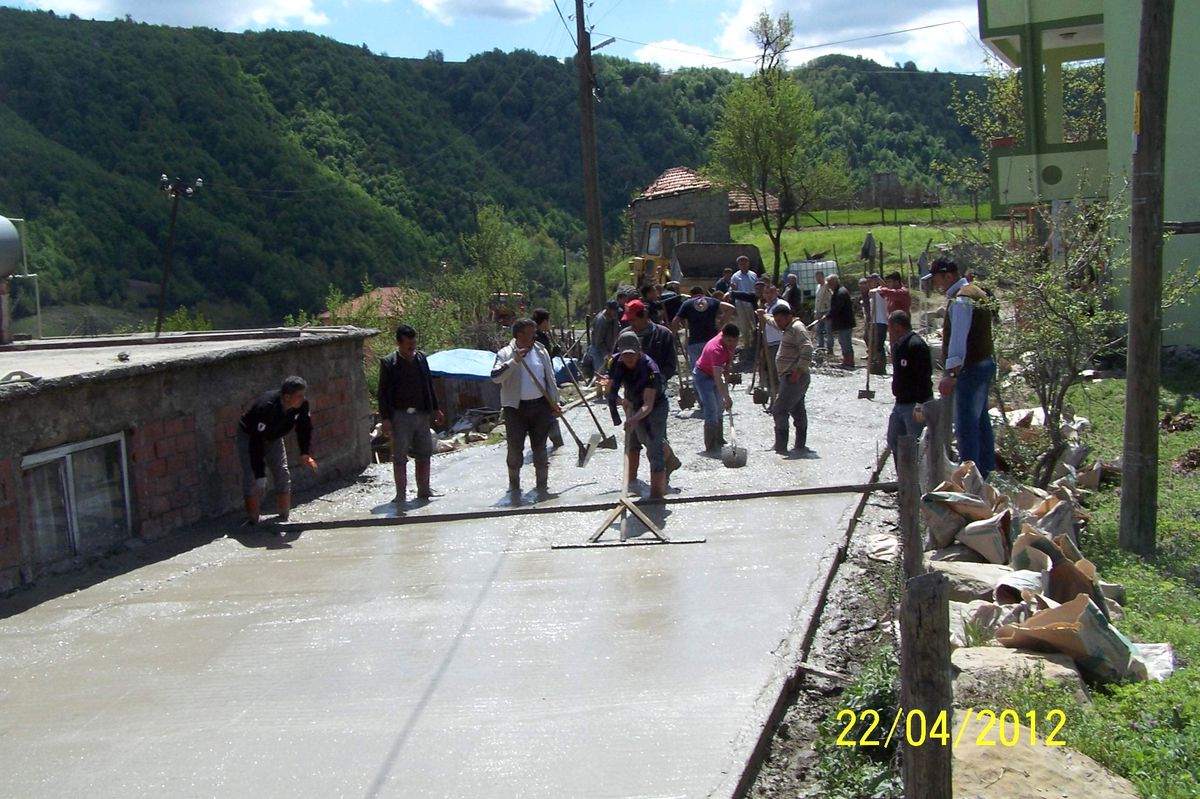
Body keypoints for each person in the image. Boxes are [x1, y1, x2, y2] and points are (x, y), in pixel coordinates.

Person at [924, 255, 997, 477]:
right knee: (981, 423)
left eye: (937, 279)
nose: (936, 284)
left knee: (966, 427)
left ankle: (972, 481)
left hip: (971, 369)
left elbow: (959, 339)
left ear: (948, 276)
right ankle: (986, 473)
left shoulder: (962, 300)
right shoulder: (975, 293)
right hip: (983, 363)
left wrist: (952, 373)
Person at [491, 318, 561, 497]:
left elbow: (550, 379)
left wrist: (555, 402)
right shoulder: (505, 353)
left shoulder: (540, 351)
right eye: (531, 333)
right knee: (515, 449)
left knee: (540, 447)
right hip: (515, 409)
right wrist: (514, 361)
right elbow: (495, 377)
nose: (535, 336)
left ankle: (542, 487)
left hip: (540, 406)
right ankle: (514, 487)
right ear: (519, 335)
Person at [378, 325, 446, 505]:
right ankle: (401, 494)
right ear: (398, 343)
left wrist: (436, 408)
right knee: (400, 456)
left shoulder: (421, 358)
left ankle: (424, 490)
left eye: (414, 342)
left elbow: (428, 385)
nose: (412, 346)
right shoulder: (389, 363)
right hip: (400, 416)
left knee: (424, 453)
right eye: (408, 343)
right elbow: (383, 393)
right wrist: (385, 419)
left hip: (422, 414)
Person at [238, 375, 316, 525]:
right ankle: (253, 518)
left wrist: (304, 452)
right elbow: (256, 442)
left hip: (274, 437)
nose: (302, 398)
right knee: (252, 475)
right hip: (250, 436)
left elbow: (304, 427)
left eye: (303, 395)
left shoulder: (302, 405)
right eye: (299, 396)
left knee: (282, 471)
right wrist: (260, 473)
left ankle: (284, 515)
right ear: (287, 397)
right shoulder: (266, 407)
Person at [619, 299, 682, 478]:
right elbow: (618, 362)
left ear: (644, 316)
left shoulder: (663, 335)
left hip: (655, 397)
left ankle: (662, 475)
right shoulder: (625, 336)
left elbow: (670, 365)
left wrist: (656, 381)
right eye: (628, 321)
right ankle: (631, 482)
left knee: (655, 440)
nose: (631, 324)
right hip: (632, 395)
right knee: (632, 439)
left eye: (633, 320)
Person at [607, 331, 670, 498]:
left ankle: (656, 500)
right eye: (625, 354)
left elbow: (648, 405)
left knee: (653, 449)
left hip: (655, 406)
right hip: (633, 401)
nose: (628, 358)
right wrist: (622, 402)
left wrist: (634, 419)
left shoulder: (651, 368)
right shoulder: (614, 362)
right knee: (632, 442)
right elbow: (611, 390)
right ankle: (631, 485)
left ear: (639, 351)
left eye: (632, 354)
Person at [759, 301, 814, 454]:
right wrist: (763, 316)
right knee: (797, 410)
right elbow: (774, 323)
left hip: (794, 377)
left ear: (789, 316)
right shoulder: (786, 326)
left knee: (779, 409)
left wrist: (798, 371)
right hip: (790, 376)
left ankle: (781, 447)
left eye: (781, 320)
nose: (778, 323)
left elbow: (808, 349)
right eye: (777, 320)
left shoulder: (797, 328)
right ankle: (800, 445)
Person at [885, 309, 933, 461]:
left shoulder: (916, 346)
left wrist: (920, 405)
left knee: (916, 445)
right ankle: (903, 479)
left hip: (914, 405)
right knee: (893, 439)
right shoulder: (899, 346)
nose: (888, 331)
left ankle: (918, 481)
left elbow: (924, 378)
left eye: (889, 326)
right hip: (900, 403)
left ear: (897, 326)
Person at [693, 323, 740, 452]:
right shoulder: (716, 349)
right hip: (703, 376)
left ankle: (719, 439)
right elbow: (718, 378)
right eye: (729, 341)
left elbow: (727, 366)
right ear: (723, 337)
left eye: (735, 341)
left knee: (719, 407)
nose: (732, 343)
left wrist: (728, 368)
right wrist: (727, 397)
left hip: (714, 373)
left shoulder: (730, 342)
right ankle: (710, 445)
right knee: (711, 408)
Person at [671, 286, 735, 368]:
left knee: (697, 369)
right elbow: (731, 308)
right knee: (713, 369)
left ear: (691, 295)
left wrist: (672, 335)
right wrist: (721, 324)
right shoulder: (712, 301)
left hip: (695, 341)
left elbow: (675, 321)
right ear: (703, 293)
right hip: (711, 341)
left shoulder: (687, 304)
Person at [532, 307, 565, 449]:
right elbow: (542, 361)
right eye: (548, 321)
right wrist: (553, 353)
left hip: (544, 378)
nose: (549, 324)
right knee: (550, 410)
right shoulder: (537, 338)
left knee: (550, 410)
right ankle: (555, 442)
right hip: (543, 379)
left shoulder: (540, 336)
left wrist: (553, 352)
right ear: (544, 322)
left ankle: (552, 443)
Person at [825, 274, 856, 368]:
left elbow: (837, 308)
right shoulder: (838, 291)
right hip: (842, 323)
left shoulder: (840, 293)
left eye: (829, 283)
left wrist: (828, 315)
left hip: (845, 322)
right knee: (842, 341)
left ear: (834, 282)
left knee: (846, 342)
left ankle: (849, 362)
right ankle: (846, 361)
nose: (829, 286)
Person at [589, 300, 621, 377]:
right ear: (608, 309)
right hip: (598, 350)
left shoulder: (614, 318)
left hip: (610, 349)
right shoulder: (601, 320)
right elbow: (598, 341)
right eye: (614, 310)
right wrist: (606, 354)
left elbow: (618, 331)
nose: (615, 312)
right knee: (601, 373)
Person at [812, 269, 832, 352]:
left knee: (828, 331)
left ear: (823, 277)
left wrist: (829, 311)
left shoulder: (827, 286)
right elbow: (817, 300)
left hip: (826, 311)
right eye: (816, 278)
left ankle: (830, 348)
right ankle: (820, 347)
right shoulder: (818, 287)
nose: (818, 280)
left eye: (819, 278)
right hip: (819, 312)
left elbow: (831, 299)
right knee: (818, 330)